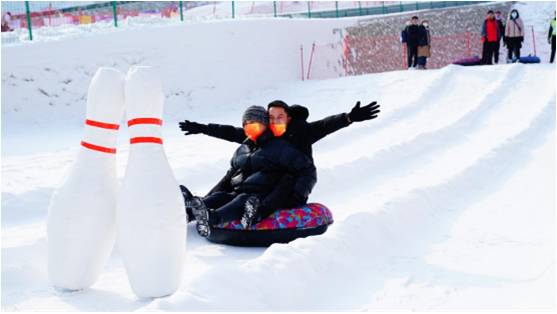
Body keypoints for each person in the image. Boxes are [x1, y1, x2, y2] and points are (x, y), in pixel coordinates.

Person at [179, 100, 380, 224]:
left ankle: (255, 211)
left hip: (296, 179)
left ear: (289, 117)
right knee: (233, 183)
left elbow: (325, 125)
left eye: (280, 117)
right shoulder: (267, 137)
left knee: (278, 182)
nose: (276, 121)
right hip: (274, 177)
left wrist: (348, 117)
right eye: (272, 117)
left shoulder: (302, 131)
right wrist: (203, 128)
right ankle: (198, 206)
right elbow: (234, 133)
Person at [182, 106, 317, 237]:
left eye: (254, 123)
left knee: (243, 199)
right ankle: (189, 213)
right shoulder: (244, 148)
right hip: (241, 191)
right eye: (246, 124)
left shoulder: (280, 147)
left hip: (264, 196)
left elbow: (307, 170)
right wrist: (206, 198)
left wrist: (296, 196)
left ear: (265, 124)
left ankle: (212, 218)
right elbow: (228, 177)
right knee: (222, 196)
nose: (249, 126)